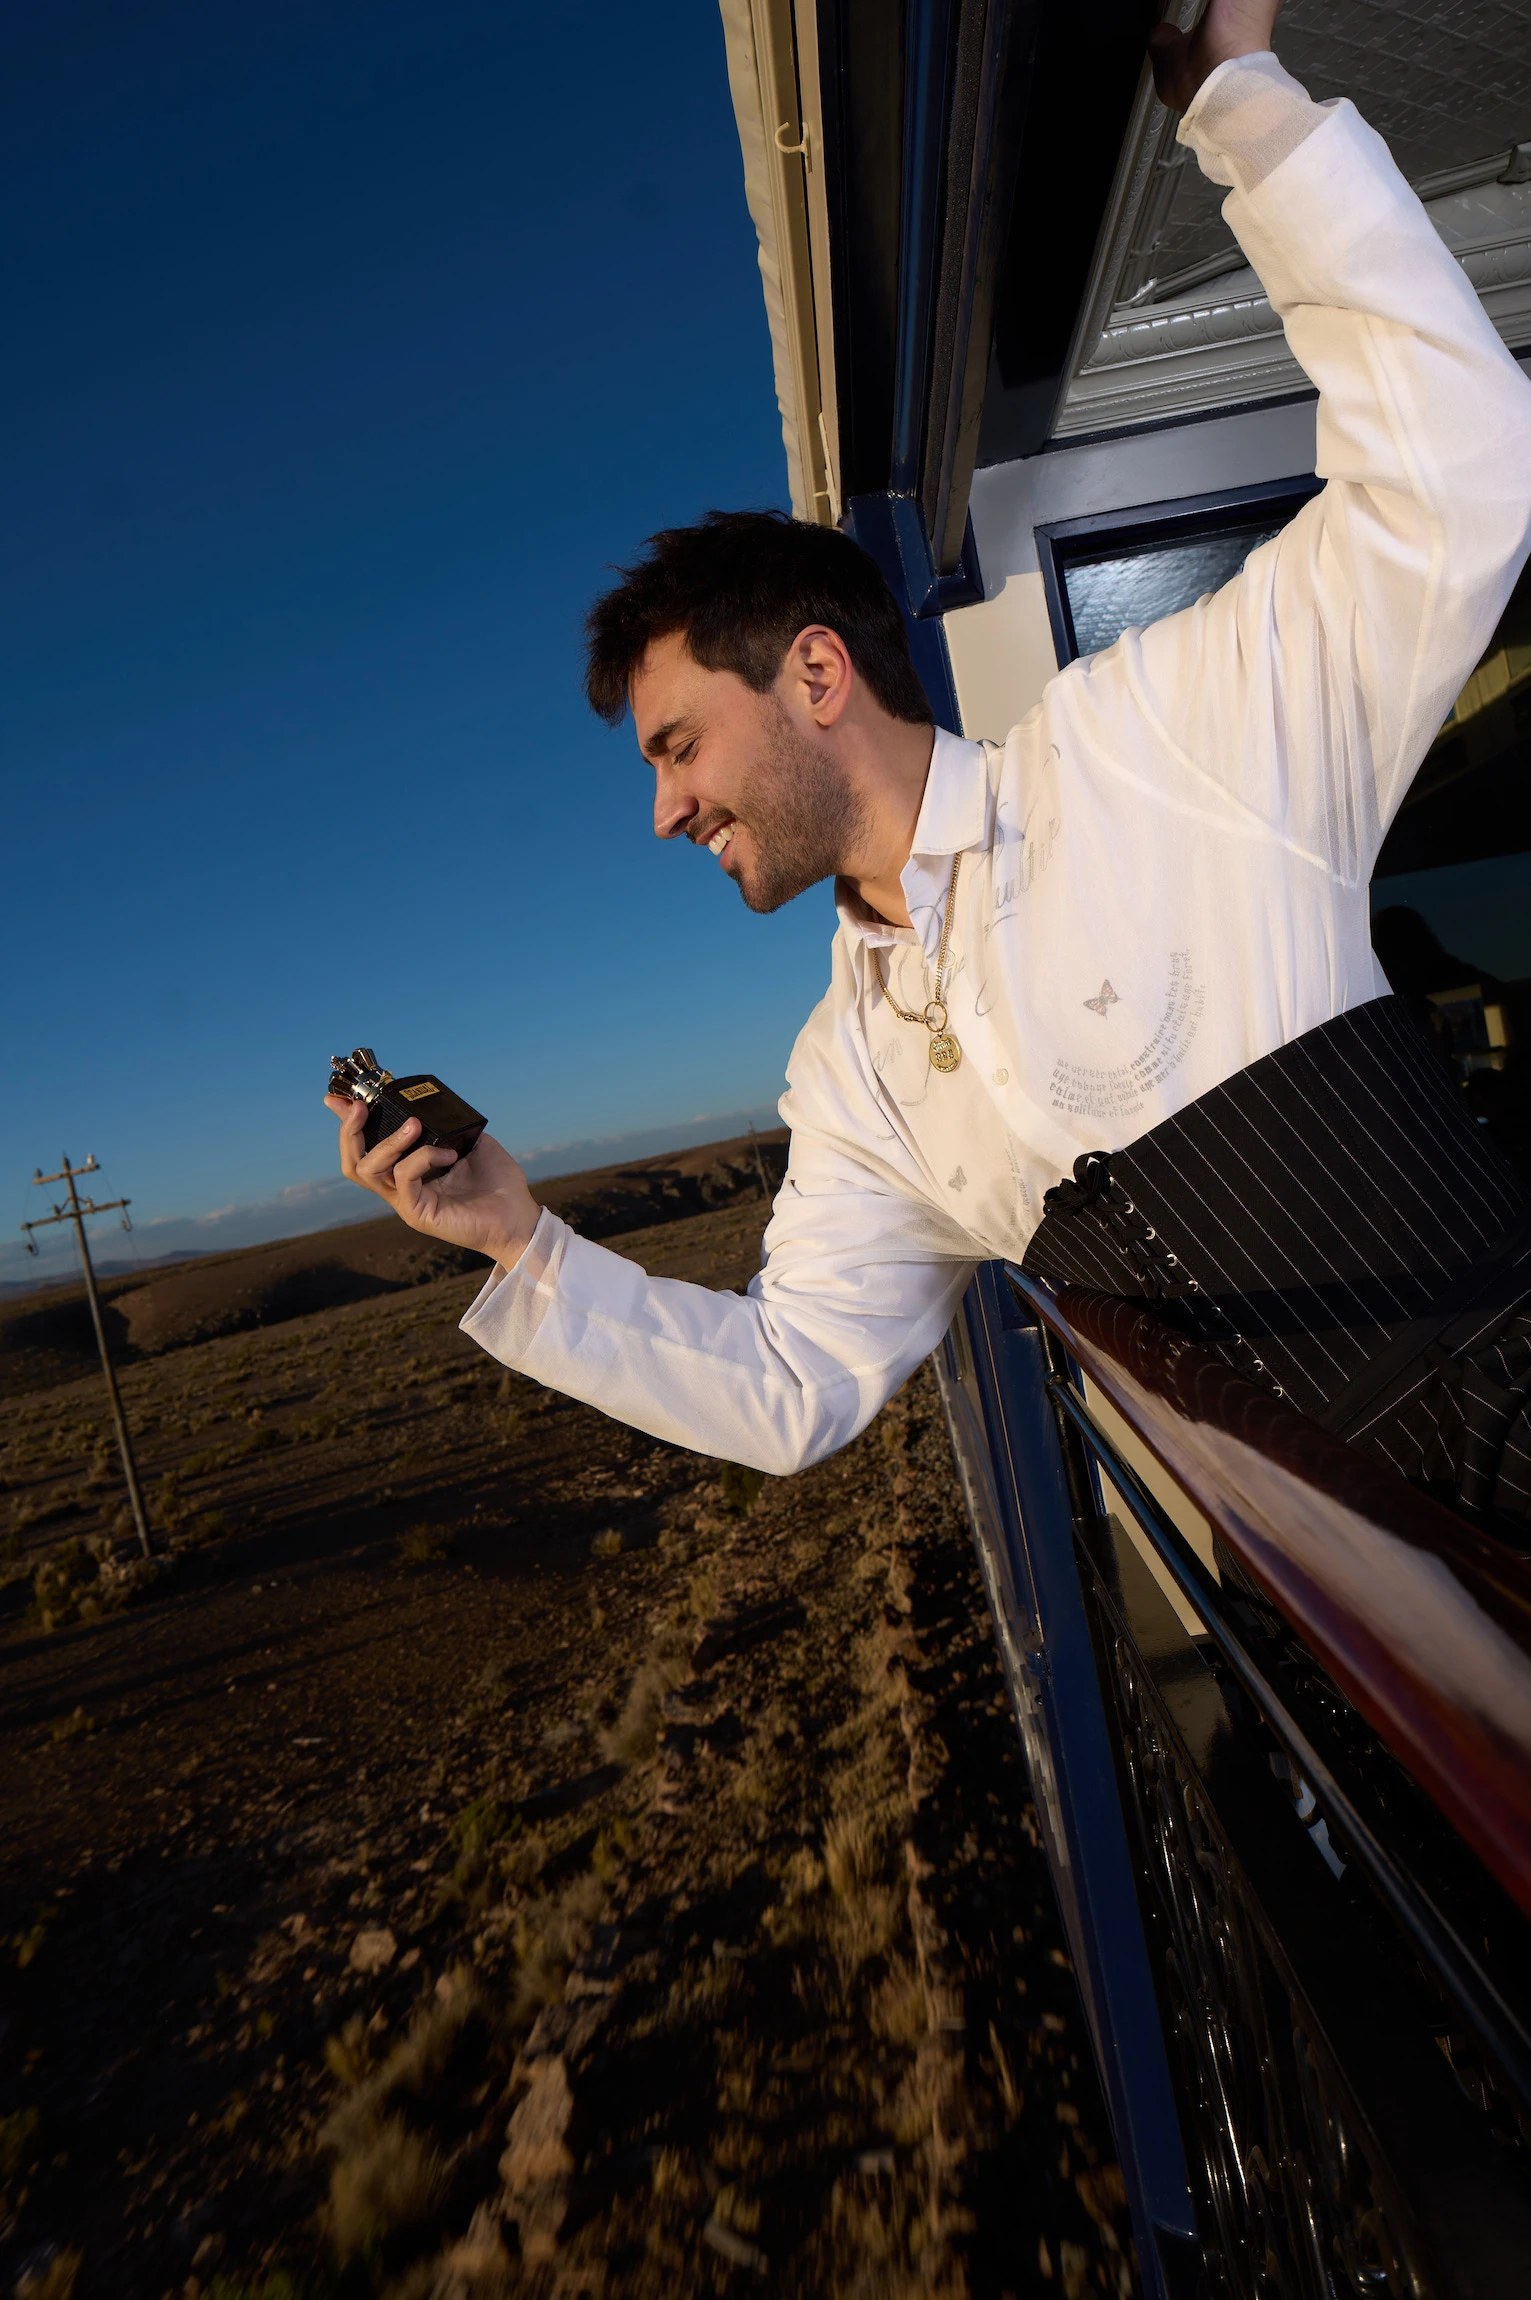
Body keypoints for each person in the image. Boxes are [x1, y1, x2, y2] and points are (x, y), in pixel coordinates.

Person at [327, 0, 1531, 1529]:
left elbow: (1457, 472)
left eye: (678, 744)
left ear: (816, 672)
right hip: (1356, 1630)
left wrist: (1237, 100)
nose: (662, 810)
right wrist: (520, 1245)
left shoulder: (1154, 745)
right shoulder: (849, 1079)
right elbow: (793, 1382)